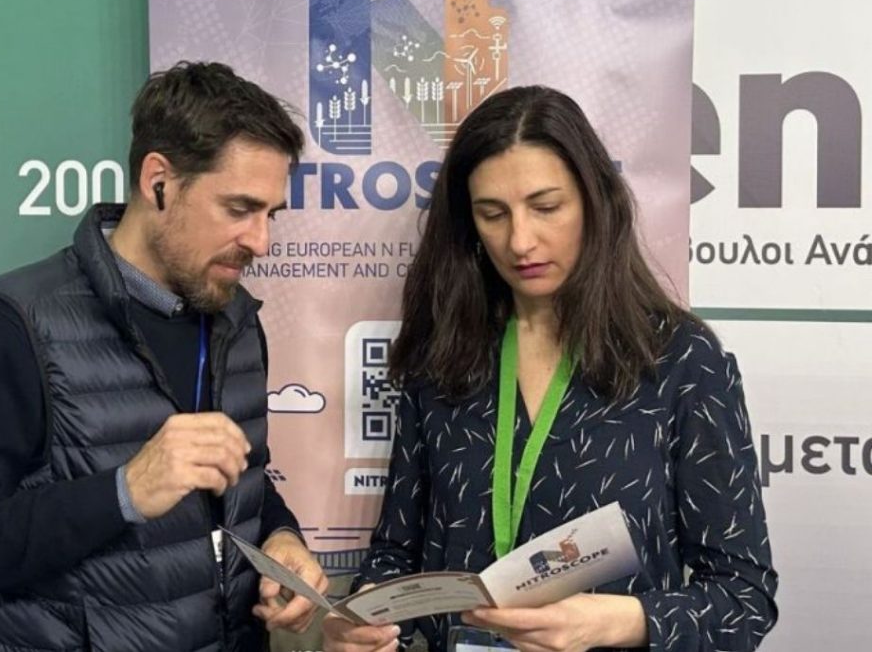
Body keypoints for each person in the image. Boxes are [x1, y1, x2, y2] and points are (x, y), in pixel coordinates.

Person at [0, 61, 328, 652]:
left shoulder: (237, 320)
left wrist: (281, 537)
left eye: (271, 215)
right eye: (239, 209)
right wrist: (122, 492)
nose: (261, 242)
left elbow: (242, 483)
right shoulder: (16, 324)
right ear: (158, 181)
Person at [323, 86, 777, 652]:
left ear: (594, 201)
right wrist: (362, 620)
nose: (520, 241)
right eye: (493, 214)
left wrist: (612, 623)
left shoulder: (680, 359)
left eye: (545, 207)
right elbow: (397, 554)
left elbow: (742, 599)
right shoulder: (442, 357)